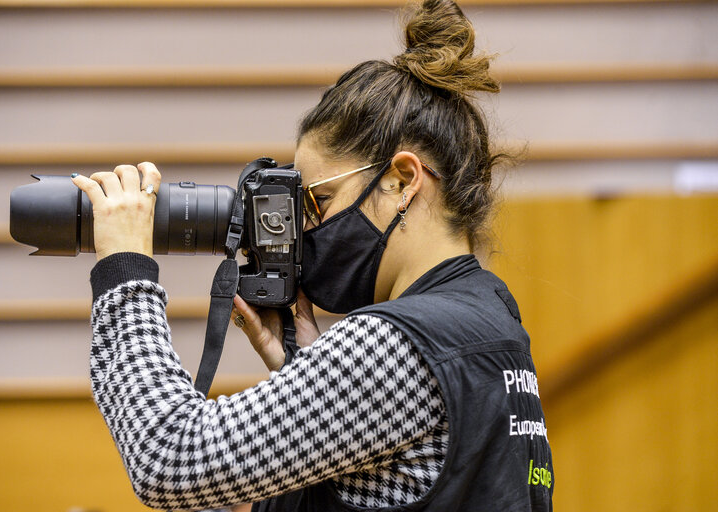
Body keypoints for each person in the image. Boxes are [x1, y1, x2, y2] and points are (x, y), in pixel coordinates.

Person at [71, 1, 554, 510]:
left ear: (402, 180)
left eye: (318, 201)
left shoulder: (390, 345)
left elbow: (168, 460)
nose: (305, 228)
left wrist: (125, 270)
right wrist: (306, 374)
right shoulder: (492, 316)